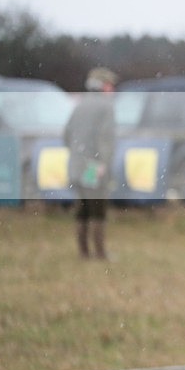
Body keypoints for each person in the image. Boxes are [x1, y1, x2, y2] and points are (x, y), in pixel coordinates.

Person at [63, 67, 118, 259]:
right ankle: (100, 253)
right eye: (110, 85)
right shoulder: (105, 107)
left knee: (83, 210)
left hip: (77, 166)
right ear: (102, 86)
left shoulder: (79, 105)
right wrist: (102, 163)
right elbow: (106, 139)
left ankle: (83, 252)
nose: (112, 90)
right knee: (97, 210)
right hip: (94, 167)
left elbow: (66, 136)